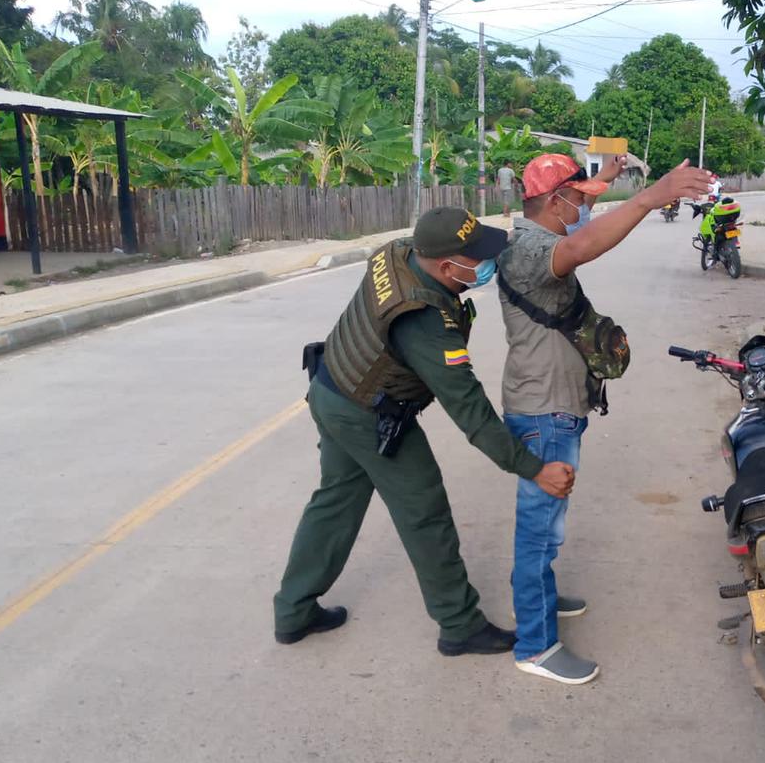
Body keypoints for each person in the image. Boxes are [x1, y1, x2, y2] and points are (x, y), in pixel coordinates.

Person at [272, 206, 576, 655]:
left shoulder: (398, 252)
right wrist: (533, 468)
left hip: (331, 389)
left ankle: (293, 610)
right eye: (475, 258)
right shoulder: (424, 318)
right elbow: (469, 410)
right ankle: (459, 625)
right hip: (365, 415)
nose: (486, 263)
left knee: (335, 501)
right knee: (425, 512)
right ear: (446, 265)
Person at [497, 153, 713, 684]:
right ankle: (536, 646)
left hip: (557, 404)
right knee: (537, 529)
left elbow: (581, 216)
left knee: (549, 528)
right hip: (543, 411)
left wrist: (611, 177)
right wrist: (647, 197)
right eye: (579, 197)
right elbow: (578, 246)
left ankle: (544, 597)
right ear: (553, 201)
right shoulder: (530, 249)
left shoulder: (544, 227)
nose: (586, 206)